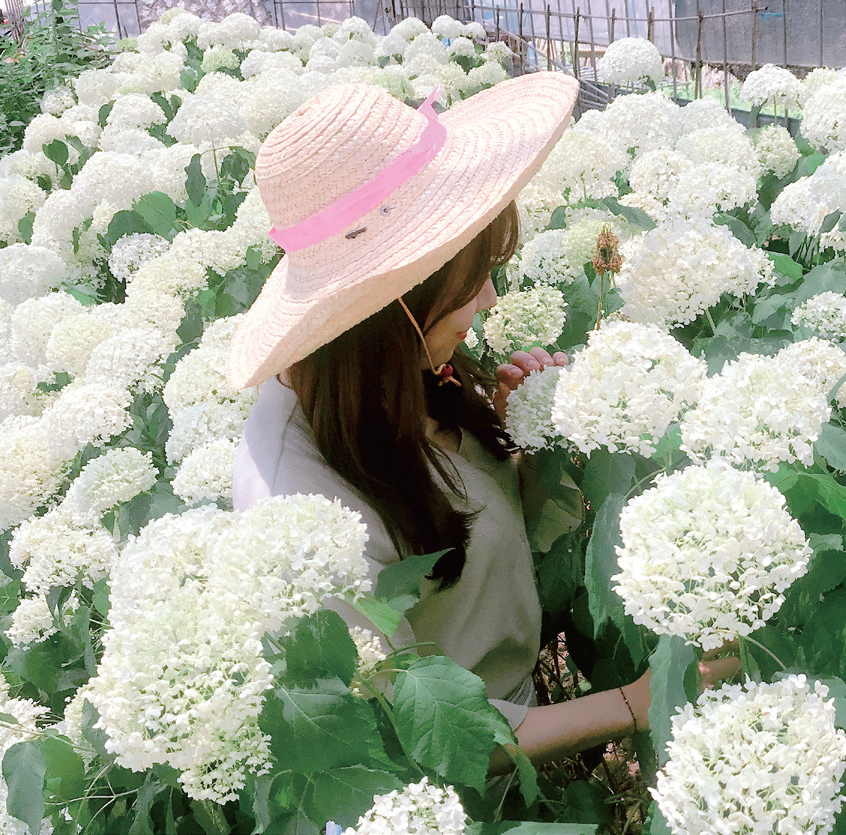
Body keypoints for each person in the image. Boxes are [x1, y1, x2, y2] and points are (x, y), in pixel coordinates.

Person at [225, 74, 738, 776]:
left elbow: (478, 544)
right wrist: (633, 704)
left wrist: (515, 443)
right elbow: (429, 738)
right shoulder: (299, 514)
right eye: (470, 278)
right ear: (391, 306)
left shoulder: (397, 374)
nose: (491, 297)